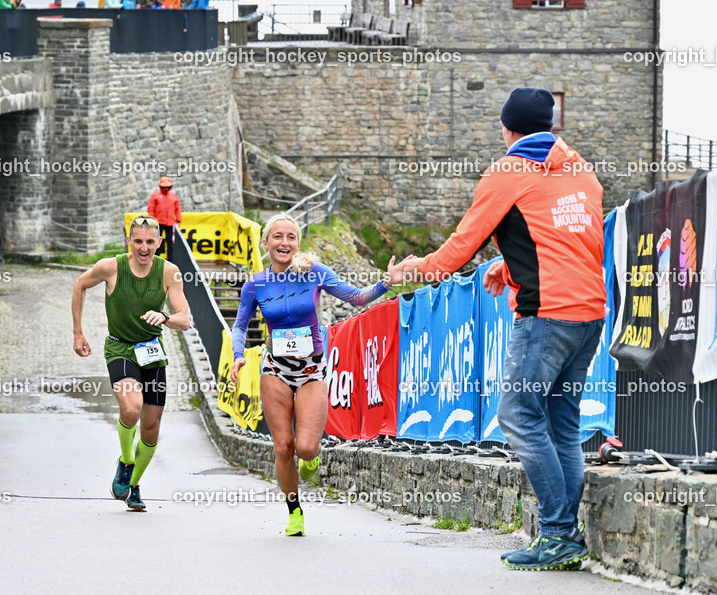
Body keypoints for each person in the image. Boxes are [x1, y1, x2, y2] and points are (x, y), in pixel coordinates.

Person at [398, 87, 605, 571]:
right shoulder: (580, 170)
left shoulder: (506, 172)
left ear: (507, 128)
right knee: (561, 423)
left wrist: (417, 269)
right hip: (589, 311)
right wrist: (508, 268)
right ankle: (563, 534)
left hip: (546, 314)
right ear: (550, 126)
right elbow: (569, 241)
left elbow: (459, 247)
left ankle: (557, 533)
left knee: (516, 415)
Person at [231, 213, 410, 537]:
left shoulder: (313, 273)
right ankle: (294, 511)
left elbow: (356, 298)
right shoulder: (255, 284)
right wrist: (239, 356)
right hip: (275, 368)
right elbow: (240, 325)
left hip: (311, 367)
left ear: (298, 243)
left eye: (291, 237)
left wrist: (387, 281)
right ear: (266, 242)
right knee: (283, 446)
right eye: (277, 236)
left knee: (307, 448)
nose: (284, 243)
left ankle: (310, 461)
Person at [71, 216, 191, 512]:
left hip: (152, 352)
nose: (144, 248)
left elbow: (184, 319)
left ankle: (134, 484)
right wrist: (78, 332)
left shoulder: (170, 272)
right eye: (138, 241)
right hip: (120, 348)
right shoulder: (111, 267)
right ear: (129, 241)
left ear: (159, 243)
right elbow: (79, 285)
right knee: (131, 407)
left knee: (151, 429)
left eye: (150, 242)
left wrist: (165, 317)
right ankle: (126, 461)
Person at [146, 176, 181, 258]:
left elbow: (178, 208)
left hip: (170, 224)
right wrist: (152, 221)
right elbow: (151, 209)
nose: (166, 188)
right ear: (161, 186)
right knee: (157, 242)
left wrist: (178, 220)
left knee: (170, 243)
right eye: (164, 187)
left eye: (167, 187)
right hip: (158, 223)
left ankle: (170, 261)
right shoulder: (155, 195)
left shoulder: (173, 196)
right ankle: (155, 259)